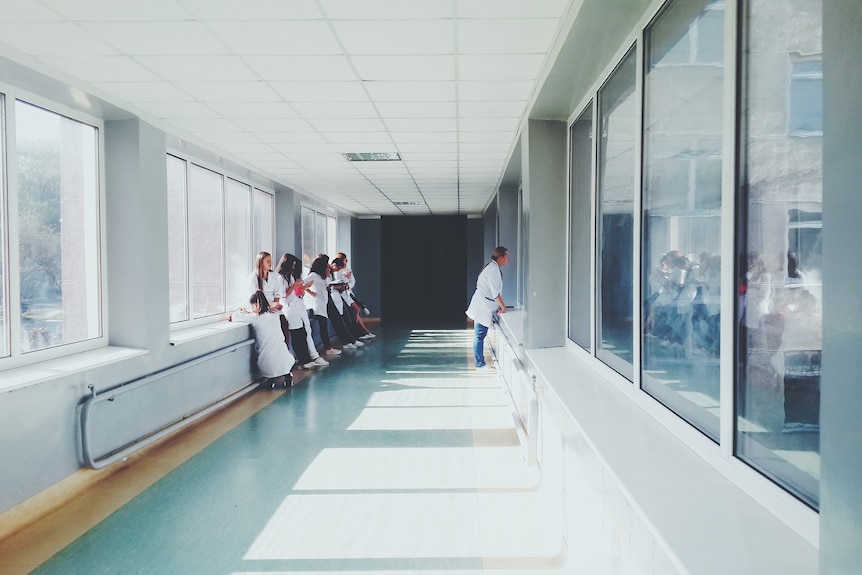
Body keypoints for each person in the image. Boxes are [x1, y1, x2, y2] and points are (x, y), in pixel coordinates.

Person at [229, 292, 294, 388]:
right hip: (285, 359)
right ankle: (288, 376)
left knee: (269, 363)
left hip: (266, 362)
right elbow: (265, 313)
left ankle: (270, 379)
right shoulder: (275, 315)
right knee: (282, 357)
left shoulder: (254, 319)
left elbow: (231, 317)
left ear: (255, 305)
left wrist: (244, 312)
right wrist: (249, 312)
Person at [274, 253, 328, 369]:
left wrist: (302, 289)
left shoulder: (290, 276)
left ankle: (307, 358)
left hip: (298, 306)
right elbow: (283, 296)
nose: (293, 268)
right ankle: (303, 360)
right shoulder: (279, 278)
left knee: (303, 333)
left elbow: (296, 293)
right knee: (297, 334)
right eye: (292, 265)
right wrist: (295, 287)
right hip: (289, 308)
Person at [466, 246, 509, 371]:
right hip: (482, 307)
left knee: (479, 336)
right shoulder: (493, 270)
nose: (508, 259)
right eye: (506, 256)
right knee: (479, 336)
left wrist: (499, 306)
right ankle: (479, 364)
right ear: (500, 257)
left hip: (483, 305)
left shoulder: (493, 267)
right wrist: (503, 308)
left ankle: (480, 363)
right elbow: (495, 293)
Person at [303, 255, 342, 356]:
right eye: (326, 267)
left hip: (323, 303)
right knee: (323, 327)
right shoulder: (313, 275)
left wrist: (328, 274)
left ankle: (328, 347)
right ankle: (328, 348)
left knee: (324, 326)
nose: (328, 269)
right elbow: (303, 284)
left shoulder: (322, 276)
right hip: (318, 304)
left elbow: (327, 285)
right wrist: (311, 293)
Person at [337, 252, 374, 338]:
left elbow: (352, 281)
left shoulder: (348, 270)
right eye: (345, 260)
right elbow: (340, 282)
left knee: (356, 310)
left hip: (348, 292)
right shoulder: (338, 271)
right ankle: (360, 332)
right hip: (342, 294)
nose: (346, 261)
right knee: (356, 310)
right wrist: (346, 278)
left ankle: (364, 331)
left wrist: (348, 283)